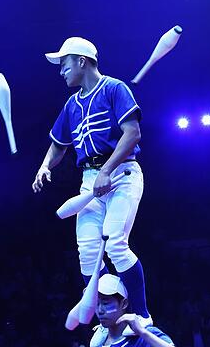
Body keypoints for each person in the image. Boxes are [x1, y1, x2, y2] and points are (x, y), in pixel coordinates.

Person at [32, 37, 151, 326]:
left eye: (64, 64)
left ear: (81, 61)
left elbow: (132, 133)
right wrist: (45, 166)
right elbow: (59, 144)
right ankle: (102, 319)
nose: (61, 71)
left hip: (121, 173)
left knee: (115, 243)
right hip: (90, 181)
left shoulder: (114, 88)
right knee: (87, 251)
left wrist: (107, 171)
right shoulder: (71, 105)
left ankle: (143, 315)